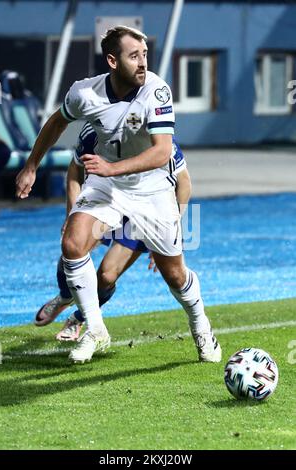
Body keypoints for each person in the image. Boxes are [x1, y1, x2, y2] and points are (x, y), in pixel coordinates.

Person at [16, 25, 221, 363]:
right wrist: (31, 165)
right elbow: (55, 123)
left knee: (175, 275)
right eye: (133, 56)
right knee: (72, 242)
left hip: (151, 189)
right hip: (108, 186)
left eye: (144, 55)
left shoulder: (156, 90)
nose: (143, 63)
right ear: (112, 61)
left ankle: (201, 327)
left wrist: (111, 169)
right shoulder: (85, 94)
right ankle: (95, 329)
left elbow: (161, 153)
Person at [35, 122, 191, 342]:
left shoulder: (160, 140)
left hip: (146, 209)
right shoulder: (97, 131)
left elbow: (183, 183)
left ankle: (79, 319)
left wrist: (170, 233)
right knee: (73, 248)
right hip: (107, 200)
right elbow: (75, 170)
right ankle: (65, 294)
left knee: (107, 275)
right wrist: (71, 214)